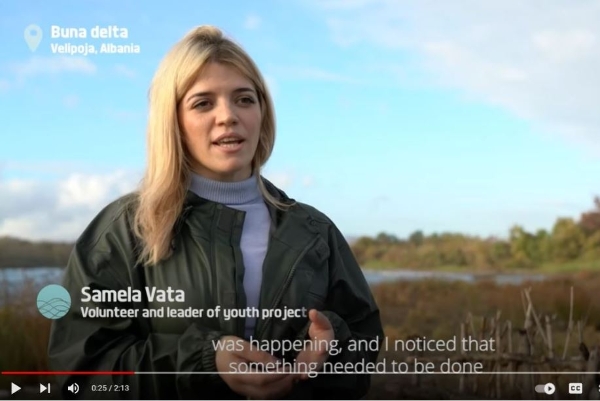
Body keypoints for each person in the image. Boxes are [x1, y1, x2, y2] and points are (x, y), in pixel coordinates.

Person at [48, 25, 383, 400]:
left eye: (244, 99)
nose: (228, 116)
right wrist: (204, 363)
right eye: (203, 102)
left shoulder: (314, 232)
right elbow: (80, 374)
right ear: (173, 122)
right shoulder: (123, 231)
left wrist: (329, 348)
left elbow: (363, 348)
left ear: (262, 112)